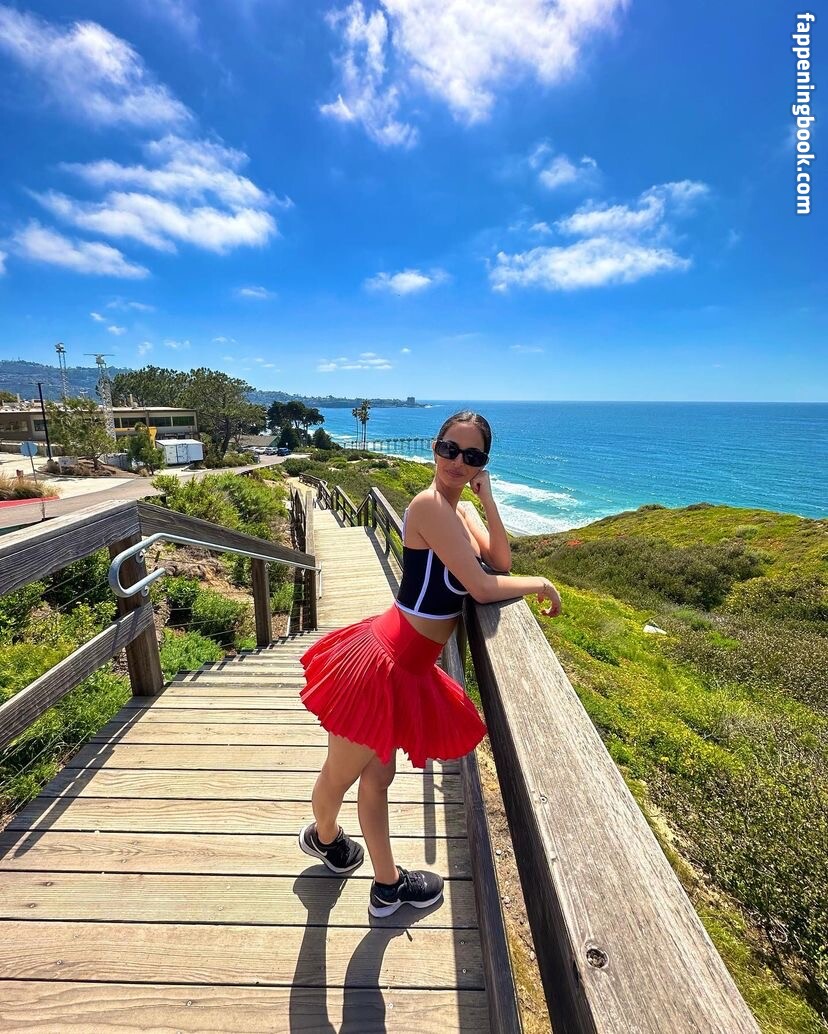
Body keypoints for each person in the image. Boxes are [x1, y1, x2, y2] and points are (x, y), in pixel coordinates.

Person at [298, 410, 561, 917]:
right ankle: (325, 838)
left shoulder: (459, 512)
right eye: (449, 449)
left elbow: (499, 562)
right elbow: (483, 586)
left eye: (472, 455)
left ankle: (385, 885)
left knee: (378, 778)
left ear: (482, 464)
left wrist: (487, 500)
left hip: (405, 666)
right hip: (383, 664)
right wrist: (542, 584)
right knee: (339, 775)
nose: (458, 462)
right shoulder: (429, 506)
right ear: (434, 448)